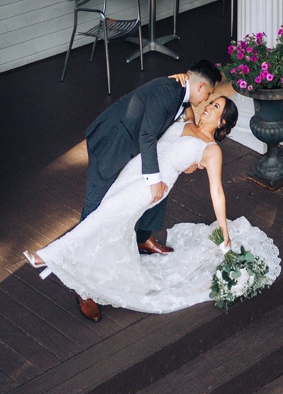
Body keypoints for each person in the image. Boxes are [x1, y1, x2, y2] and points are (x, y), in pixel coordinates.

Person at [25, 92, 281, 320]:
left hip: (153, 186)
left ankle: (48, 255)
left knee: (107, 214)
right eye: (211, 102)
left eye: (215, 108)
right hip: (135, 169)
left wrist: (224, 229)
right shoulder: (188, 121)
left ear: (223, 122)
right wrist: (183, 82)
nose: (208, 107)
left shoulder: (211, 150)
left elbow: (217, 191)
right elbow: (188, 102)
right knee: (113, 222)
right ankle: (95, 279)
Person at [81, 61, 221, 263]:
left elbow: (184, 115)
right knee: (96, 204)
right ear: (201, 87)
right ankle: (80, 266)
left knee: (163, 180)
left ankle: (142, 238)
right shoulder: (168, 91)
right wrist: (153, 180)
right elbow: (147, 135)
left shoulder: (182, 92)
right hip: (112, 142)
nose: (208, 99)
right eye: (209, 93)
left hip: (134, 144)